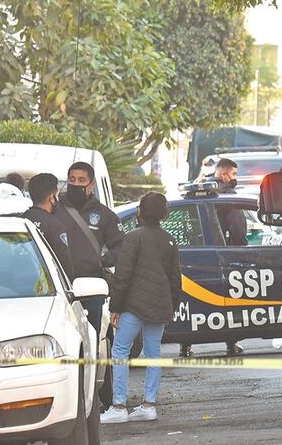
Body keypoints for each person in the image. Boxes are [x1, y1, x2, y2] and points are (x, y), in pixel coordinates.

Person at [102, 192, 182, 423]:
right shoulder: (169, 239)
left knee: (120, 352)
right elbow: (175, 278)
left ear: (140, 211)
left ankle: (118, 407)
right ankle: (149, 404)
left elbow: (123, 276)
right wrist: (171, 306)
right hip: (159, 306)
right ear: (164, 214)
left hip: (133, 306)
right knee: (154, 353)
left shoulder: (133, 238)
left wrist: (115, 306)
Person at [181, 157, 246, 358]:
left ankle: (186, 344)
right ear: (224, 174)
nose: (235, 178)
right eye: (234, 174)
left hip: (198, 252)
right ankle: (231, 342)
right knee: (230, 299)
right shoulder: (225, 194)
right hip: (224, 253)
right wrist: (242, 249)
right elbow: (237, 226)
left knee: (193, 302)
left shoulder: (200, 188)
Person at [56, 161, 126, 342]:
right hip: (58, 287)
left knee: (91, 339)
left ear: (92, 184)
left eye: (81, 180)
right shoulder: (54, 210)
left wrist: (102, 261)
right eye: (72, 179)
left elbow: (121, 247)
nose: (76, 184)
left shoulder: (105, 216)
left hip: (91, 289)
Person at [22, 173, 75, 281]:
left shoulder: (20, 221)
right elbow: (64, 265)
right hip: (45, 287)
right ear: (52, 198)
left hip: (17, 285)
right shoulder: (54, 225)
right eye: (57, 195)